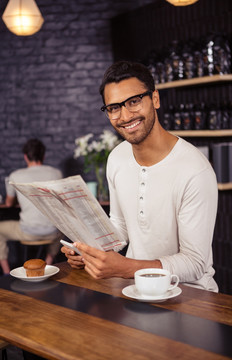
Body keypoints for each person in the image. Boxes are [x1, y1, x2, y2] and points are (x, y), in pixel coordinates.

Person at [61, 61, 218, 292]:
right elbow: (120, 226)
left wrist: (124, 267)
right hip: (135, 289)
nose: (125, 116)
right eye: (114, 108)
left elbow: (195, 263)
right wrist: (89, 250)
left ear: (155, 99)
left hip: (191, 296)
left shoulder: (195, 170)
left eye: (134, 101)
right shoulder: (116, 158)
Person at [0, 138, 63, 274]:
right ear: (43, 156)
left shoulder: (15, 175)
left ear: (25, 157)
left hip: (28, 232)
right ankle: (47, 263)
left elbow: (8, 203)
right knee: (61, 226)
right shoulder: (56, 173)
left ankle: (7, 273)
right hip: (52, 232)